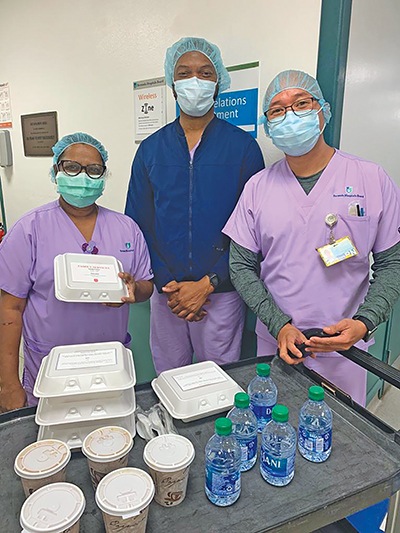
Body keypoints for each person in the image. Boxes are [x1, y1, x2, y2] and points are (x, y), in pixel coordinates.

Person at [223, 70, 400, 406]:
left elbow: (393, 263)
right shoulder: (257, 189)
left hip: (346, 350)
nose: (290, 114)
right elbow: (242, 266)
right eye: (277, 109)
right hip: (278, 344)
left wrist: (365, 322)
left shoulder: (371, 178)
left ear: (323, 111)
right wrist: (280, 325)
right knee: (277, 434)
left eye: (301, 103)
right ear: (268, 125)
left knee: (347, 446)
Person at [125, 37, 264, 374]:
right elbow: (139, 223)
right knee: (169, 377)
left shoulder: (243, 148)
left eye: (205, 73)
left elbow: (254, 229)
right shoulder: (151, 150)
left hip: (222, 292)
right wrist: (167, 284)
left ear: (218, 85)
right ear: (173, 87)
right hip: (166, 294)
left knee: (220, 381)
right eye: (184, 73)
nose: (195, 81)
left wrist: (208, 284)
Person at [0, 132, 154, 412]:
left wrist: (133, 290)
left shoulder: (126, 228)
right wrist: (8, 384)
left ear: (103, 177)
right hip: (50, 364)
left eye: (94, 170)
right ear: (55, 171)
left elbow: (146, 285)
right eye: (72, 167)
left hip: (110, 361)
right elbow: (10, 309)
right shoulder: (29, 230)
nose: (82, 176)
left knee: (110, 433)